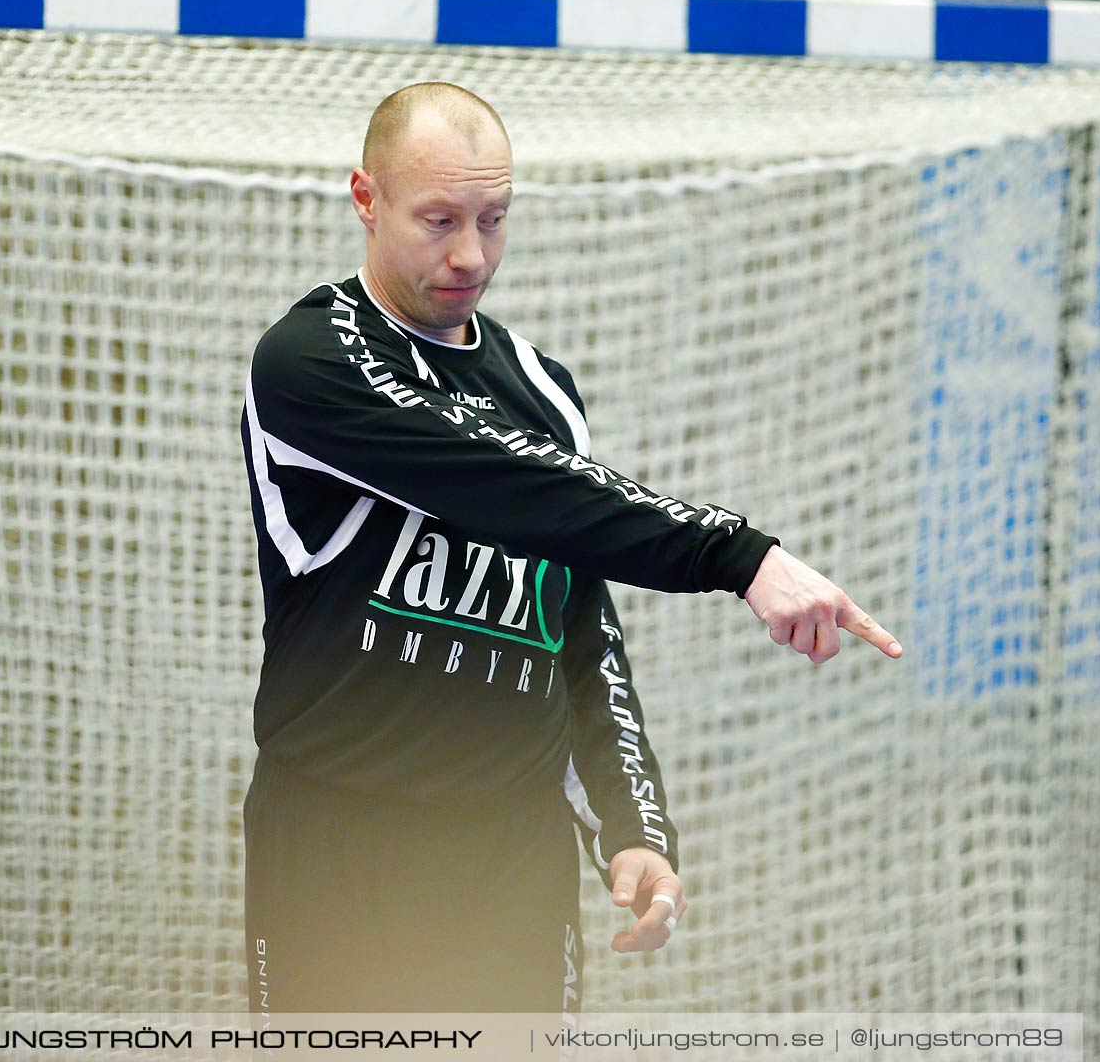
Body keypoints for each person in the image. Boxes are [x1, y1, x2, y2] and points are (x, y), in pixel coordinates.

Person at [238, 82, 902, 1014]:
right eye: (438, 219)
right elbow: (511, 486)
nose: (470, 254)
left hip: (513, 860)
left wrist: (634, 825)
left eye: (493, 219)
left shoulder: (545, 392)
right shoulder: (312, 361)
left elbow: (579, 627)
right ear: (365, 197)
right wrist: (737, 555)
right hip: (339, 844)